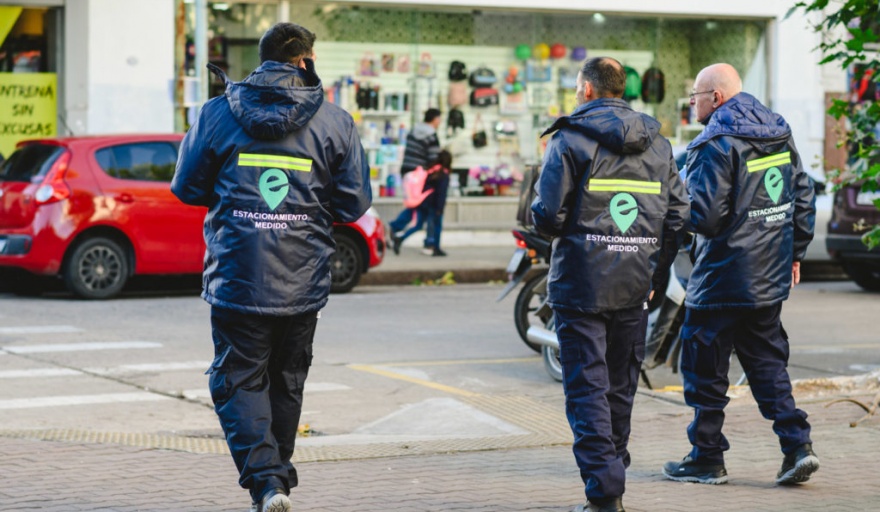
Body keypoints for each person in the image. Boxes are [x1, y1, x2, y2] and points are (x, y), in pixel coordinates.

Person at [170, 22, 370, 512]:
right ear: (305, 61)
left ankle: (268, 484)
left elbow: (187, 187)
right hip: (302, 279)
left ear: (261, 61)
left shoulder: (218, 113)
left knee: (238, 379)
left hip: (238, 274)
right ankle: (274, 481)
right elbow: (353, 203)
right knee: (286, 380)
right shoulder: (334, 121)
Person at [531, 57, 689, 512]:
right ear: (621, 88)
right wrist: (654, 272)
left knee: (587, 389)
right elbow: (679, 215)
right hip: (635, 284)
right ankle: (611, 473)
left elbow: (548, 215)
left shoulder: (568, 138)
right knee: (620, 387)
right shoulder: (657, 144)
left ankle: (604, 493)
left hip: (581, 284)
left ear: (587, 89)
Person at [661, 63, 818, 487]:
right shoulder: (777, 131)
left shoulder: (714, 142)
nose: (692, 103)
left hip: (721, 277)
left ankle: (706, 457)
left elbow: (706, 218)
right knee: (767, 364)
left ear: (716, 97)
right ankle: (798, 447)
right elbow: (802, 195)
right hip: (768, 276)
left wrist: (675, 204)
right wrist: (794, 252)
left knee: (704, 369)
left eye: (695, 95)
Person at [390, 150, 452, 256]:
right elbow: (441, 194)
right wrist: (440, 208)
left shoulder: (431, 170)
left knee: (418, 225)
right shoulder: (443, 174)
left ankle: (400, 238)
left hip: (423, 202)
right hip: (434, 205)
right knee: (436, 226)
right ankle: (435, 247)